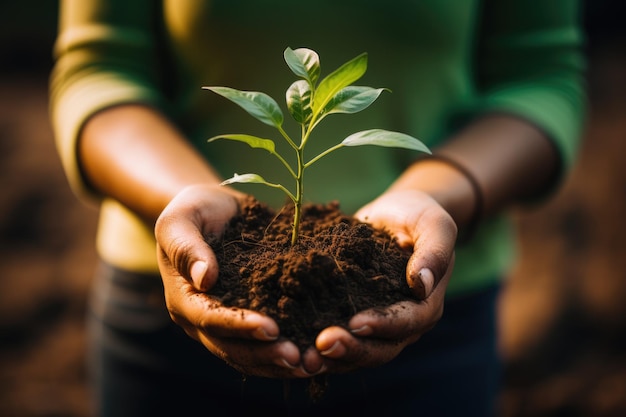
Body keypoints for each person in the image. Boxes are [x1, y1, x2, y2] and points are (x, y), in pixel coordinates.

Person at [49, 1, 586, 416]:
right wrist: (183, 196)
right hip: (166, 324)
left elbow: (541, 74)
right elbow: (100, 69)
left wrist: (438, 193)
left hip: (428, 316)